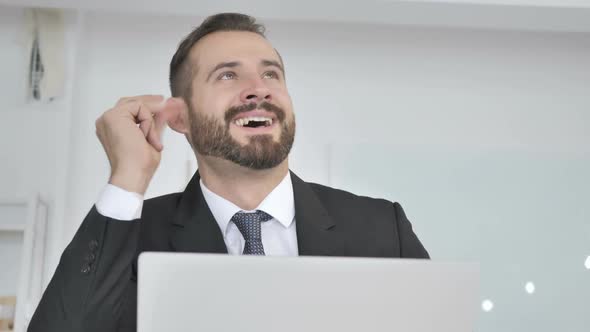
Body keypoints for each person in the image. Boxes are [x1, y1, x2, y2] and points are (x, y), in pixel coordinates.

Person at [28, 13, 429, 332]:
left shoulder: (381, 228)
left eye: (271, 74)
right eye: (228, 75)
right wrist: (128, 177)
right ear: (180, 117)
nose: (259, 88)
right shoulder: (133, 236)